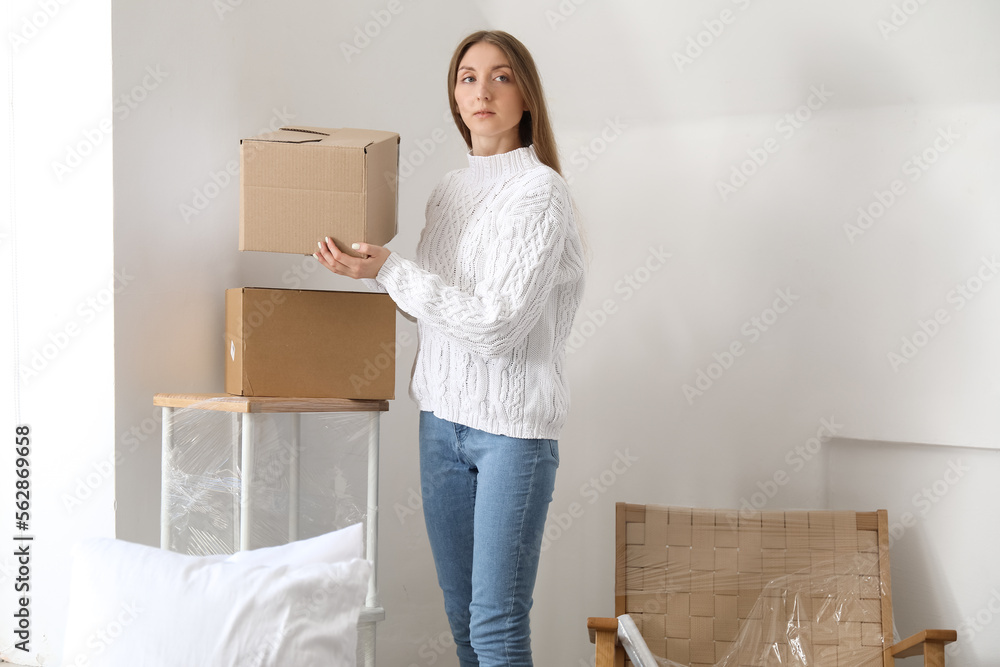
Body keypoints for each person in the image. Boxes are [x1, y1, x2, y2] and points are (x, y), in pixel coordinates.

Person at [313, 29, 585, 667]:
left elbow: (497, 326)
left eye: (501, 76)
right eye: (468, 77)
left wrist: (390, 271)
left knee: (494, 628)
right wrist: (367, 269)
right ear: (455, 98)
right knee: (463, 626)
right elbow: (436, 309)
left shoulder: (541, 193)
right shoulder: (448, 191)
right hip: (440, 423)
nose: (482, 90)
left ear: (526, 97)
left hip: (511, 435)